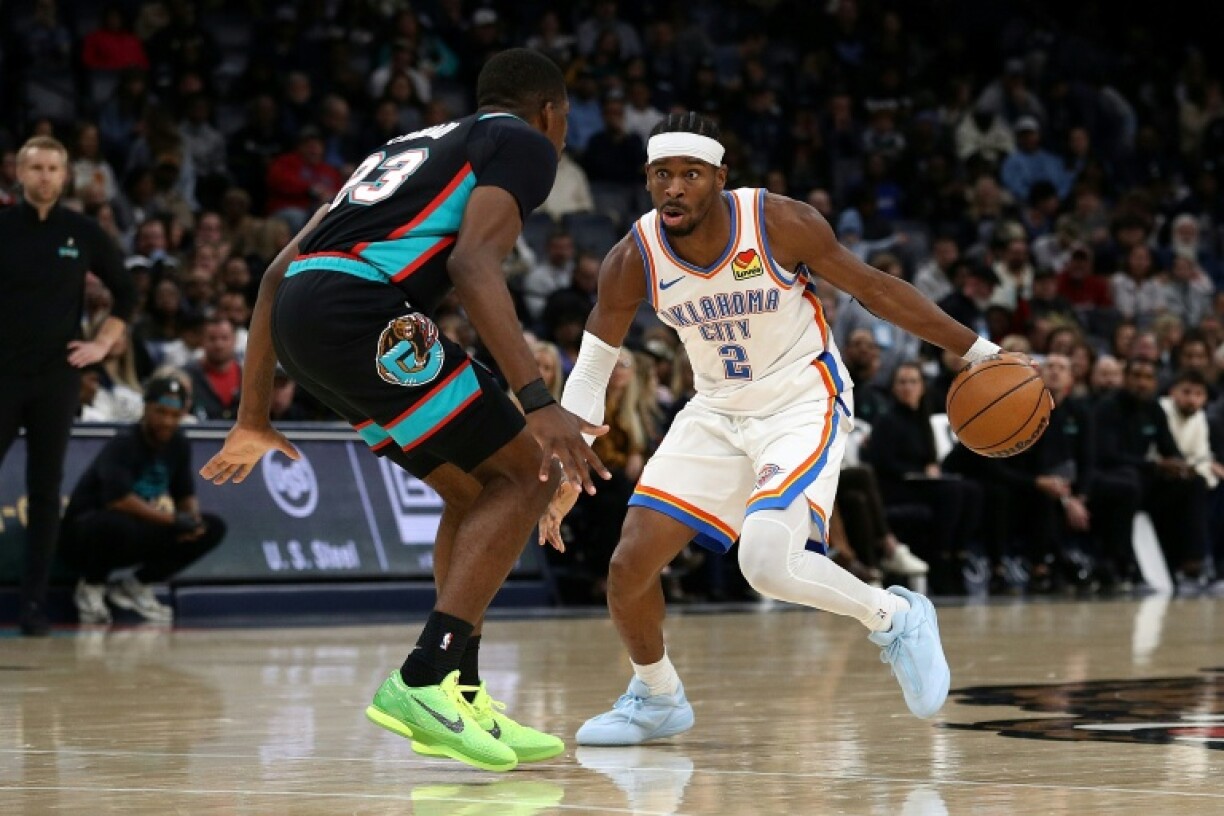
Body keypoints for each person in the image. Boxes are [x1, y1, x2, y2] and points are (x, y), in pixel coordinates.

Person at [540, 112, 1019, 746]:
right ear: (648, 181)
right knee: (629, 566)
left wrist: (979, 352)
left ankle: (894, 616)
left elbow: (875, 289)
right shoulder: (634, 256)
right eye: (663, 176)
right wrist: (573, 464)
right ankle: (656, 697)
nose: (675, 188)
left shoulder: (777, 222)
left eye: (690, 174)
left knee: (764, 562)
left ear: (718, 178)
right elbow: (593, 366)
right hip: (715, 411)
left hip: (801, 400)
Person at [198, 49, 606, 773]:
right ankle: (423, 675)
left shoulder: (405, 147)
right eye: (565, 122)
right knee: (533, 472)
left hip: (308, 318)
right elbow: (472, 266)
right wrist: (537, 401)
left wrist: (253, 416)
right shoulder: (523, 143)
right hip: (364, 308)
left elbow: (273, 276)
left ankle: (461, 686)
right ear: (551, 113)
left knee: (473, 487)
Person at [0, 136, 136, 636]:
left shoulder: (81, 231)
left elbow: (125, 292)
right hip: (3, 375)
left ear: (65, 175)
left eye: (53, 168)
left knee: (45, 490)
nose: (44, 176)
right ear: (18, 171)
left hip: (56, 379)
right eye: (35, 166)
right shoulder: (5, 226)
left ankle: (33, 606)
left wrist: (101, 345)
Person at [59, 376, 226, 624]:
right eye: (161, 412)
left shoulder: (178, 444)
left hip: (134, 529)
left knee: (211, 528)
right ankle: (91, 587)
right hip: (83, 534)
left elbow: (185, 494)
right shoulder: (125, 443)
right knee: (116, 522)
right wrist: (172, 520)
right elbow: (118, 500)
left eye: (174, 414)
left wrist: (192, 520)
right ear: (146, 408)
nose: (167, 421)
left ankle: (135, 585)